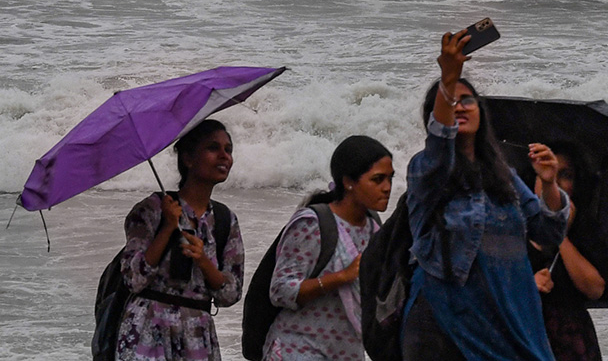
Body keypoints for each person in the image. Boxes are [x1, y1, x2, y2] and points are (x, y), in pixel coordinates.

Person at [402, 30, 571, 361]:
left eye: (468, 100)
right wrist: (448, 78)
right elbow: (440, 141)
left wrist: (550, 185)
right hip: (446, 319)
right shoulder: (426, 170)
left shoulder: (503, 177)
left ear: (481, 112)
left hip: (506, 314)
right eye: (452, 100)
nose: (460, 105)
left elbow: (548, 233)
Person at [115, 119, 245, 361]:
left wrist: (204, 261)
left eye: (228, 150)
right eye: (213, 148)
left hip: (197, 336)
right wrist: (167, 228)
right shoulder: (151, 210)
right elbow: (133, 279)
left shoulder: (226, 219)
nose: (224, 156)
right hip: (147, 329)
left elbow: (231, 294)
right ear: (188, 158)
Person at [263, 135, 394, 360]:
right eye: (377, 179)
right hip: (298, 350)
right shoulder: (312, 224)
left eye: (390, 179)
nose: (387, 188)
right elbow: (280, 291)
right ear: (348, 182)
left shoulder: (374, 230)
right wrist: (342, 276)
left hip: (345, 353)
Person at [529, 144, 606, 361]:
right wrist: (528, 286)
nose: (555, 181)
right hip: (525, 338)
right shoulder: (511, 225)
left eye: (566, 175)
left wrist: (561, 234)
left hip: (572, 343)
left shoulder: (586, 231)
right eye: (545, 171)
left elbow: (595, 289)